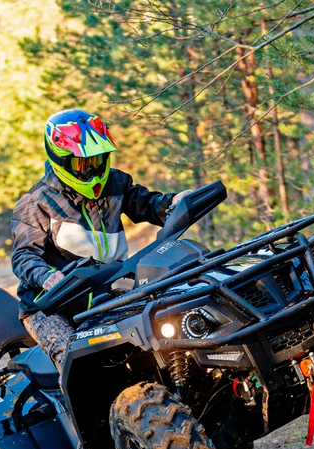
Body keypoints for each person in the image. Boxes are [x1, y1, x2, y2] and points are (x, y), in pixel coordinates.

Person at [11, 108, 190, 371]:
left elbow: (148, 205)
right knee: (81, 366)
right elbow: (23, 255)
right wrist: (47, 276)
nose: (92, 170)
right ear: (61, 160)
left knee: (167, 328)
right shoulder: (37, 201)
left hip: (110, 288)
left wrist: (172, 203)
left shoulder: (116, 182)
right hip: (52, 306)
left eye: (98, 160)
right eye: (82, 163)